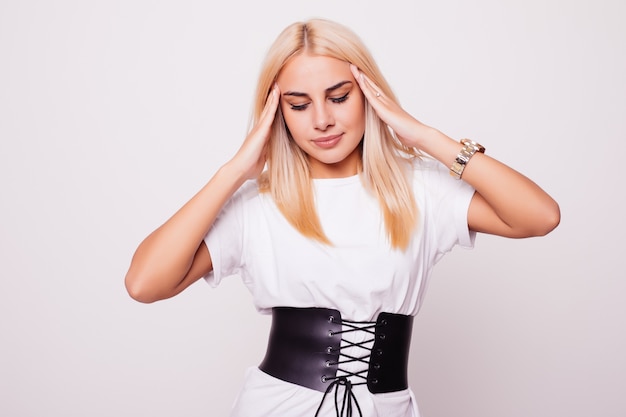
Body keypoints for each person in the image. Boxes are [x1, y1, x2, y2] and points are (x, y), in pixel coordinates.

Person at [125, 18, 560, 417]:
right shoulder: (258, 204)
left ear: (369, 93)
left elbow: (539, 216)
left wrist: (423, 135)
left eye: (339, 96)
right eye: (298, 105)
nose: (322, 120)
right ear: (277, 114)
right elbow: (144, 284)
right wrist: (235, 170)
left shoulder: (419, 189)